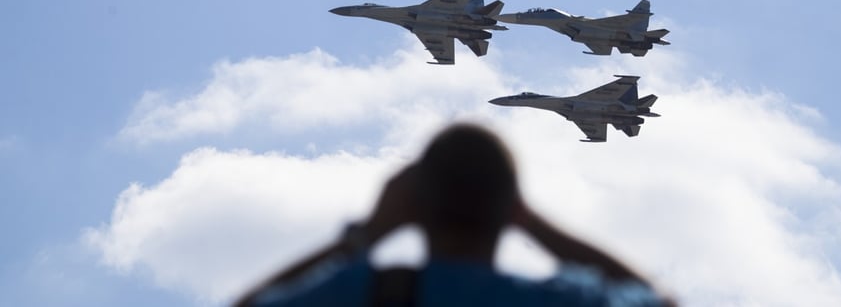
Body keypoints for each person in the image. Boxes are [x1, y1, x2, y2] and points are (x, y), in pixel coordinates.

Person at [234, 123, 673, 306]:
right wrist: (533, 222)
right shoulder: (560, 301)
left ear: (414, 207)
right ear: (511, 209)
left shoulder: (362, 293)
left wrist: (367, 234)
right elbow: (659, 301)